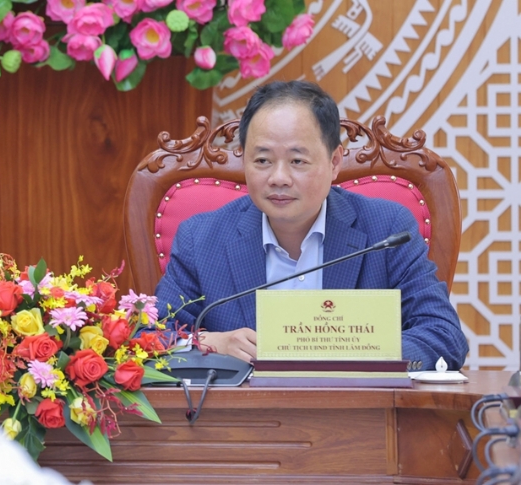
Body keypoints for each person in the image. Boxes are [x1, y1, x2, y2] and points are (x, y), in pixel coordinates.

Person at [155, 80, 468, 371]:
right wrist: (212, 344)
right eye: (262, 160)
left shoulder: (386, 229)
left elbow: (443, 336)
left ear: (334, 163)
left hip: (356, 409)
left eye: (297, 161)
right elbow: (150, 337)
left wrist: (357, 353)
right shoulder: (202, 238)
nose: (278, 178)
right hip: (245, 411)